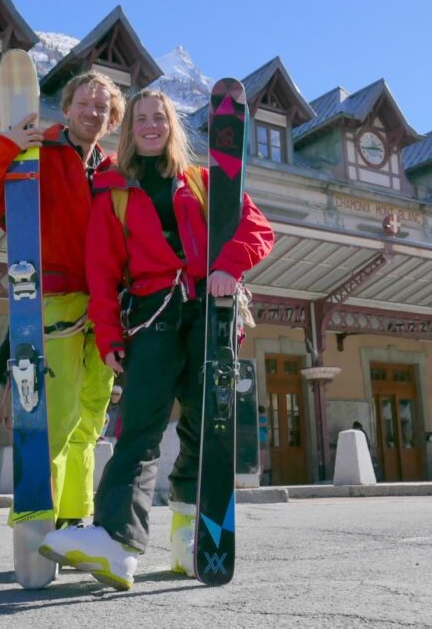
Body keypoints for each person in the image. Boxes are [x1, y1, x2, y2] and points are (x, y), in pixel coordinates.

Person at [39, 89, 275, 590]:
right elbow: (100, 273)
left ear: (172, 126)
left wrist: (228, 268)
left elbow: (258, 230)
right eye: (141, 119)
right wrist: (107, 336)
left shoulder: (206, 181)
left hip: (208, 316)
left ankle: (188, 537)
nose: (150, 125)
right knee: (139, 429)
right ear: (129, 131)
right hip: (151, 316)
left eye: (159, 118)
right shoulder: (113, 192)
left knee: (203, 426)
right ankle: (118, 545)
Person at [0, 71, 125, 539]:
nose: (93, 112)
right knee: (53, 414)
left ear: (112, 118)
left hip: (105, 303)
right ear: (67, 105)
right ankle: (37, 518)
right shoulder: (38, 149)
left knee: (91, 416)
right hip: (53, 296)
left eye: (103, 107)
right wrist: (5, 146)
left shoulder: (115, 169)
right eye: (85, 102)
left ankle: (73, 517)